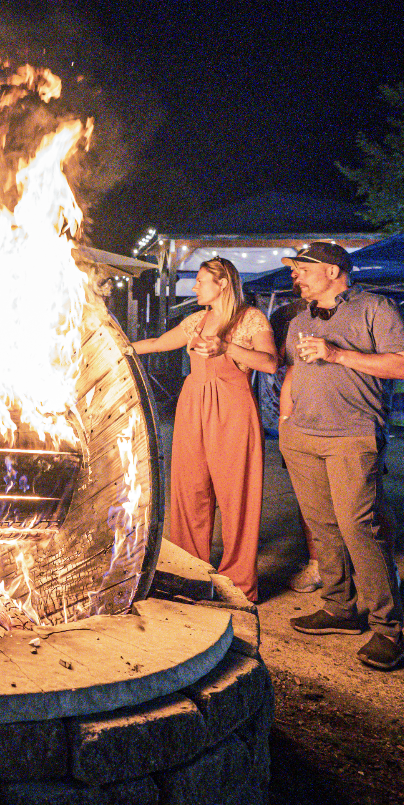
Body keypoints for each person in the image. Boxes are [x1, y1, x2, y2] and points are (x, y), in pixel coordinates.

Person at [276, 242, 404, 671]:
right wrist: (285, 421)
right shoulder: (300, 319)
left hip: (352, 436)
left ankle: (388, 630)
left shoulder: (376, 308)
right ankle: (339, 608)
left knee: (359, 528)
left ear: (334, 271)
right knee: (321, 525)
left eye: (303, 268)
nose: (295, 276)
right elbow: (294, 371)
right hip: (301, 436)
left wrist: (336, 353)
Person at [132, 258, 276, 604]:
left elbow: (270, 362)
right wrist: (116, 347)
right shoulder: (196, 320)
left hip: (232, 408)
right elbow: (156, 343)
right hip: (193, 404)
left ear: (223, 283)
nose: (194, 287)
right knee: (189, 490)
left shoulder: (251, 318)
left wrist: (227, 347)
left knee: (236, 494)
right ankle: (189, 574)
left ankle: (238, 584)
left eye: (200, 280)